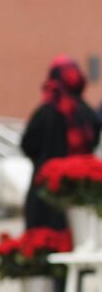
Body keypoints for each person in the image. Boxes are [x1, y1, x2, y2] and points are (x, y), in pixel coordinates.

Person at [21, 55, 99, 230]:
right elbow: (93, 143)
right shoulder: (86, 113)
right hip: (82, 192)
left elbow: (28, 145)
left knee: (45, 244)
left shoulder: (45, 112)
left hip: (46, 193)